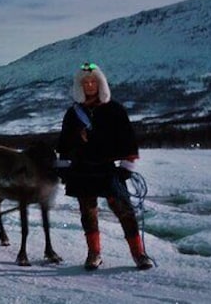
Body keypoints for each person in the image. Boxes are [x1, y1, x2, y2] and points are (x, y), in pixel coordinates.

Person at [57, 62, 153, 271]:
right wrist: (65, 167)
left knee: (125, 211)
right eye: (85, 82)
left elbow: (128, 138)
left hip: (107, 169)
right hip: (82, 170)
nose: (90, 85)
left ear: (100, 83)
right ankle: (94, 254)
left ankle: (139, 254)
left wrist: (127, 166)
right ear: (79, 86)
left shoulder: (115, 109)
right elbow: (63, 143)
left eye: (93, 81)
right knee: (88, 213)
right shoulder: (73, 114)